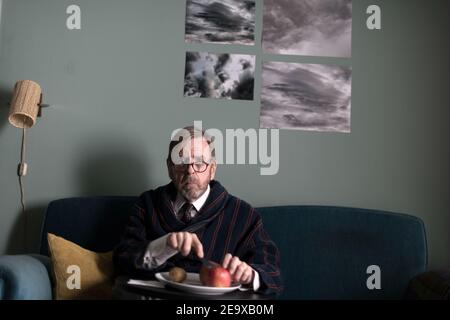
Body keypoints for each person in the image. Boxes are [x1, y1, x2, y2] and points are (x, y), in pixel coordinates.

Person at [113, 126, 283, 295]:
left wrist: (250, 274)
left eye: (200, 162)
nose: (190, 170)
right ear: (169, 167)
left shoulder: (244, 215)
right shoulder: (147, 204)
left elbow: (272, 273)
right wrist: (164, 246)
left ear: (212, 169)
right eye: (181, 162)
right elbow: (122, 259)